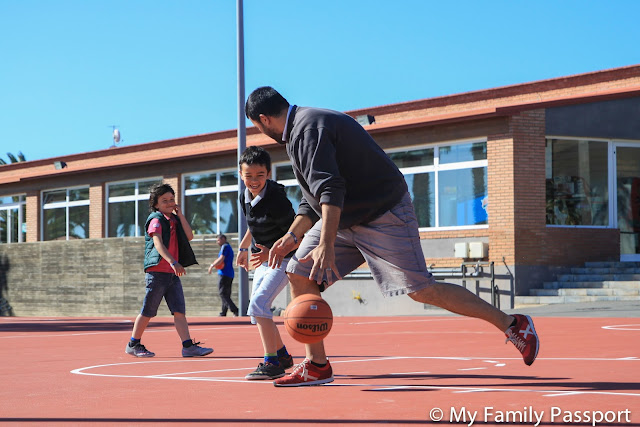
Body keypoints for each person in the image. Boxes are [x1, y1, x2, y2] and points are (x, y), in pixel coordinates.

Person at [245, 86, 540, 387]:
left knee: (421, 289)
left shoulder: (308, 129)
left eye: (257, 126)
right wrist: (292, 237)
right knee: (299, 272)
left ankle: (512, 324)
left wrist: (326, 243)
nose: (260, 131)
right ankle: (317, 365)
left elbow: (330, 190)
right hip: (343, 215)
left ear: (264, 119)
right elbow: (312, 197)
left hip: (382, 213)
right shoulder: (298, 131)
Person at [126, 183, 213, 358]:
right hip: (157, 272)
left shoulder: (173, 220)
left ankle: (188, 346)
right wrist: (173, 262)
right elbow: (157, 243)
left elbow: (189, 236)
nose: (169, 203)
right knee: (148, 311)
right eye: (164, 200)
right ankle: (133, 344)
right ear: (156, 204)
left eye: (172, 199)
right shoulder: (156, 219)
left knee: (179, 310)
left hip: (171, 274)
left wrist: (180, 215)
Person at [236, 145, 296, 380]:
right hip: (264, 260)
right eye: (248, 175)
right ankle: (281, 355)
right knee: (256, 312)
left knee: (259, 305)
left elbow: (296, 235)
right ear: (241, 175)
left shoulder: (277, 200)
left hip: (285, 258)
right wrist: (242, 247)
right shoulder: (244, 196)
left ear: (269, 174)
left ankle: (272, 363)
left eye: (260, 175)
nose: (254, 180)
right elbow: (252, 226)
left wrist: (272, 250)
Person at [208, 234, 239, 317]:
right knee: (226, 293)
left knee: (223, 293)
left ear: (223, 239)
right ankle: (223, 312)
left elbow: (221, 258)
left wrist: (212, 265)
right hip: (230, 273)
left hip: (224, 273)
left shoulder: (225, 247)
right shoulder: (228, 247)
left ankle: (235, 310)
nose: (217, 242)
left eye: (218, 240)